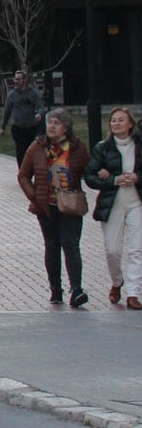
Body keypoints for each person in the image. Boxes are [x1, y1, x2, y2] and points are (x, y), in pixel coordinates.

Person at [16, 108, 90, 308]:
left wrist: (100, 174)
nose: (51, 127)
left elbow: (89, 170)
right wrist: (34, 196)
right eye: (49, 123)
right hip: (46, 206)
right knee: (52, 245)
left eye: (56, 123)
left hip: (70, 205)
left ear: (66, 127)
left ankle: (76, 289)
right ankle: (56, 290)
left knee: (71, 244)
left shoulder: (77, 148)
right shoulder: (37, 147)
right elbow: (23, 175)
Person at [85, 106, 142, 309]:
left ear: (130, 124)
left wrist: (137, 177)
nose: (116, 124)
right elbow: (90, 177)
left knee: (136, 250)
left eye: (121, 120)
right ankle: (117, 282)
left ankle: (134, 293)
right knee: (113, 250)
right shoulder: (103, 148)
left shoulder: (139, 144)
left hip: (137, 204)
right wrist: (114, 180)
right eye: (113, 120)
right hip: (113, 205)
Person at [1, 71, 44, 157]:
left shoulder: (33, 93)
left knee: (31, 151)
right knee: (20, 151)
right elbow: (7, 111)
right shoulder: (12, 95)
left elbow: (40, 107)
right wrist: (3, 127)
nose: (16, 81)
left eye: (18, 79)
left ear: (24, 80)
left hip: (31, 127)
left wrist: (39, 114)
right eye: (15, 79)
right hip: (18, 128)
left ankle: (30, 169)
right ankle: (22, 170)